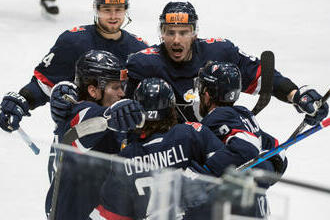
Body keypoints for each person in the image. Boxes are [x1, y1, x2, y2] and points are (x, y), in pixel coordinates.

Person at [88, 77, 283, 220]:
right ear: (172, 110)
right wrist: (273, 160)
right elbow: (239, 163)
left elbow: (105, 216)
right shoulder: (192, 133)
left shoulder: (126, 157)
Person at [125, 1, 328, 125]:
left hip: (215, 144)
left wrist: (296, 95)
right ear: (162, 33)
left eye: (183, 32)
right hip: (169, 151)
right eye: (170, 32)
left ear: (194, 33)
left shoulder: (219, 52)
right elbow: (122, 108)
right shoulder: (143, 63)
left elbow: (259, 75)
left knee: (270, 159)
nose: (176, 40)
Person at [0, 0, 148, 134]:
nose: (113, 16)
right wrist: (20, 101)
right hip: (77, 135)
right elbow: (43, 85)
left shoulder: (139, 50)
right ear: (95, 8)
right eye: (106, 9)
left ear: (126, 9)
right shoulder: (73, 41)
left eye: (118, 9)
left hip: (122, 139)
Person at [45, 50, 144, 220]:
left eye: (122, 87)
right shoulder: (75, 113)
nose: (122, 93)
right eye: (115, 87)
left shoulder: (114, 121)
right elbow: (81, 127)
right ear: (93, 90)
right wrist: (109, 116)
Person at [195, 61, 287, 218]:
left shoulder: (217, 116)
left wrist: (204, 174)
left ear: (207, 94)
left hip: (232, 210)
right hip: (256, 207)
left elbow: (246, 148)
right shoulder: (243, 114)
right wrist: (263, 171)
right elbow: (279, 153)